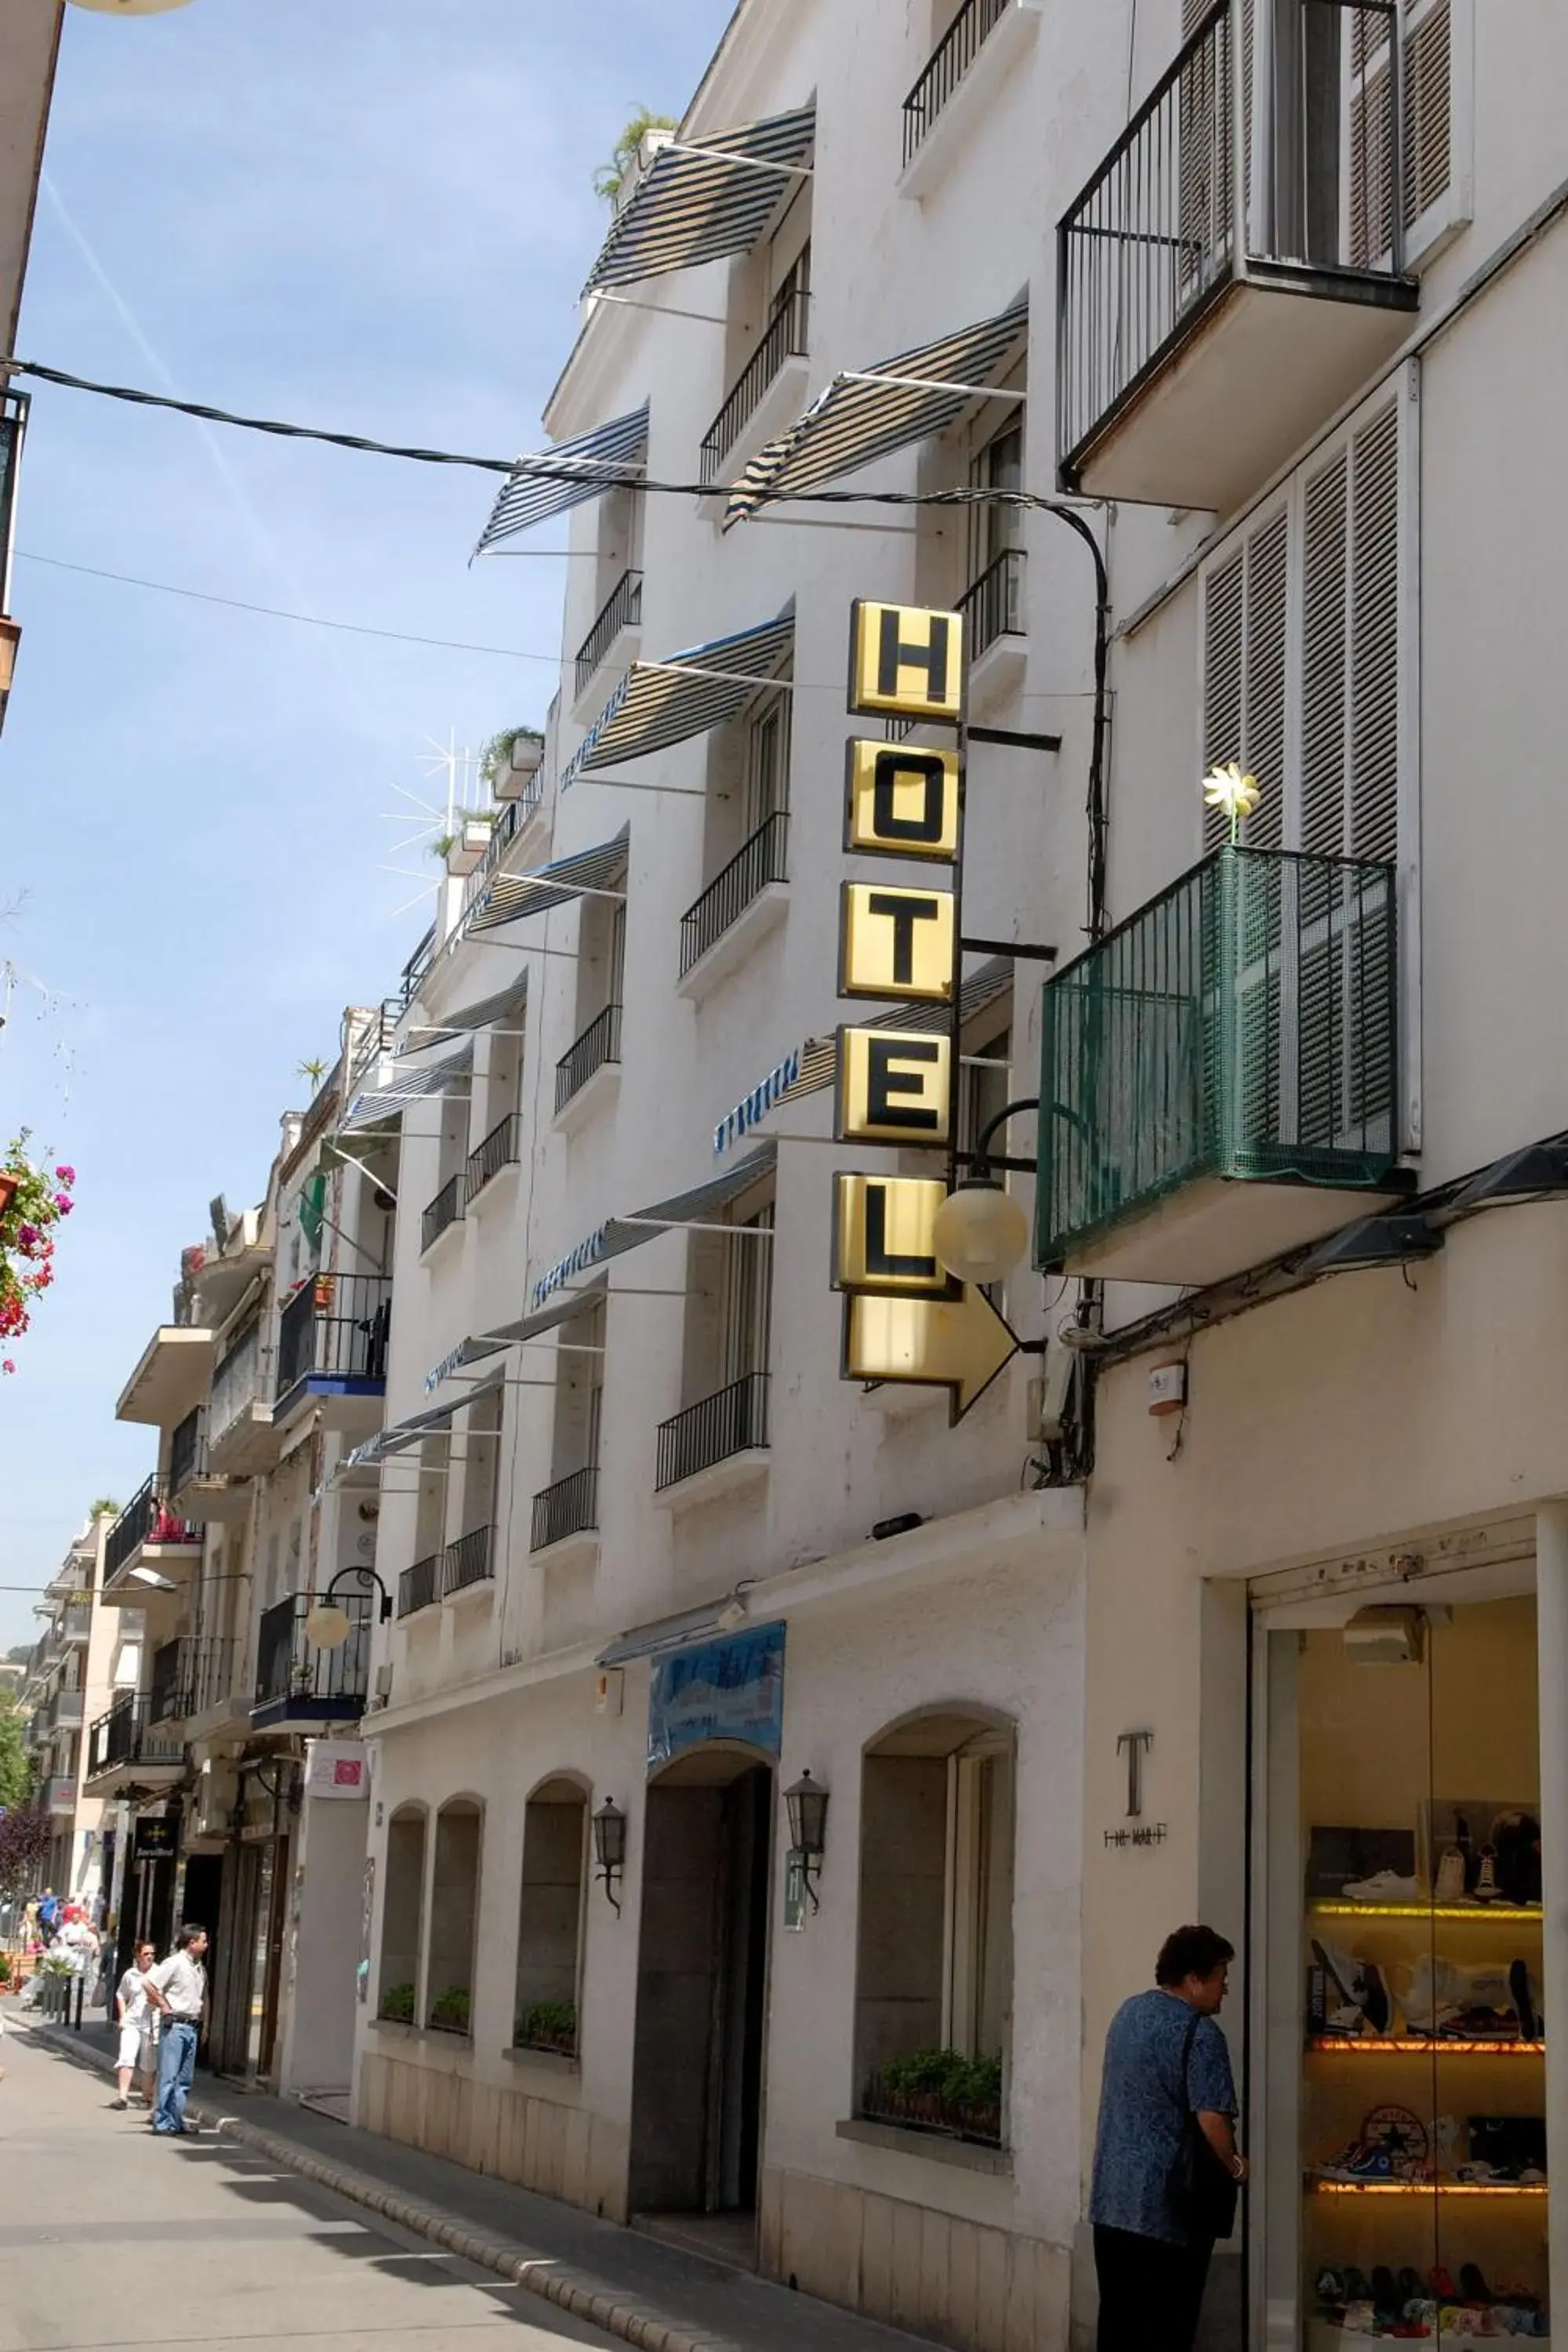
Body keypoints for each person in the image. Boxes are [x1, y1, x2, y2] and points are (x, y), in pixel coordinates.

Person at [1089, 1923, 1247, 2352]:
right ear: (1194, 1979)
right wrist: (1235, 2165)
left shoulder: (1128, 2013)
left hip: (1111, 2202)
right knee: (1166, 2330)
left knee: (1119, 2325)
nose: (1225, 1989)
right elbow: (1212, 2119)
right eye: (1220, 1978)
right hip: (1167, 2211)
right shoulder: (1201, 2034)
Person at [143, 1923, 209, 2136]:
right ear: (192, 1943)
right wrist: (164, 2007)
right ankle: (162, 2122)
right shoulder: (175, 1963)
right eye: (203, 1941)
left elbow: (202, 1997)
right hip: (175, 2025)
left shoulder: (199, 1967)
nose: (206, 1945)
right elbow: (149, 1984)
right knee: (169, 2076)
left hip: (192, 2025)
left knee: (184, 2079)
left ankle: (176, 2119)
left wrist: (204, 2023)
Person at [112, 1940, 158, 2111]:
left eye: (152, 1954)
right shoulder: (130, 1974)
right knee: (126, 2057)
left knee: (148, 2063)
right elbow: (121, 1995)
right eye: (146, 1954)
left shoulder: (159, 1973)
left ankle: (147, 2097)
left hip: (151, 2023)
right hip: (132, 2022)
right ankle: (122, 2097)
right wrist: (123, 2017)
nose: (150, 1957)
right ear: (138, 1955)